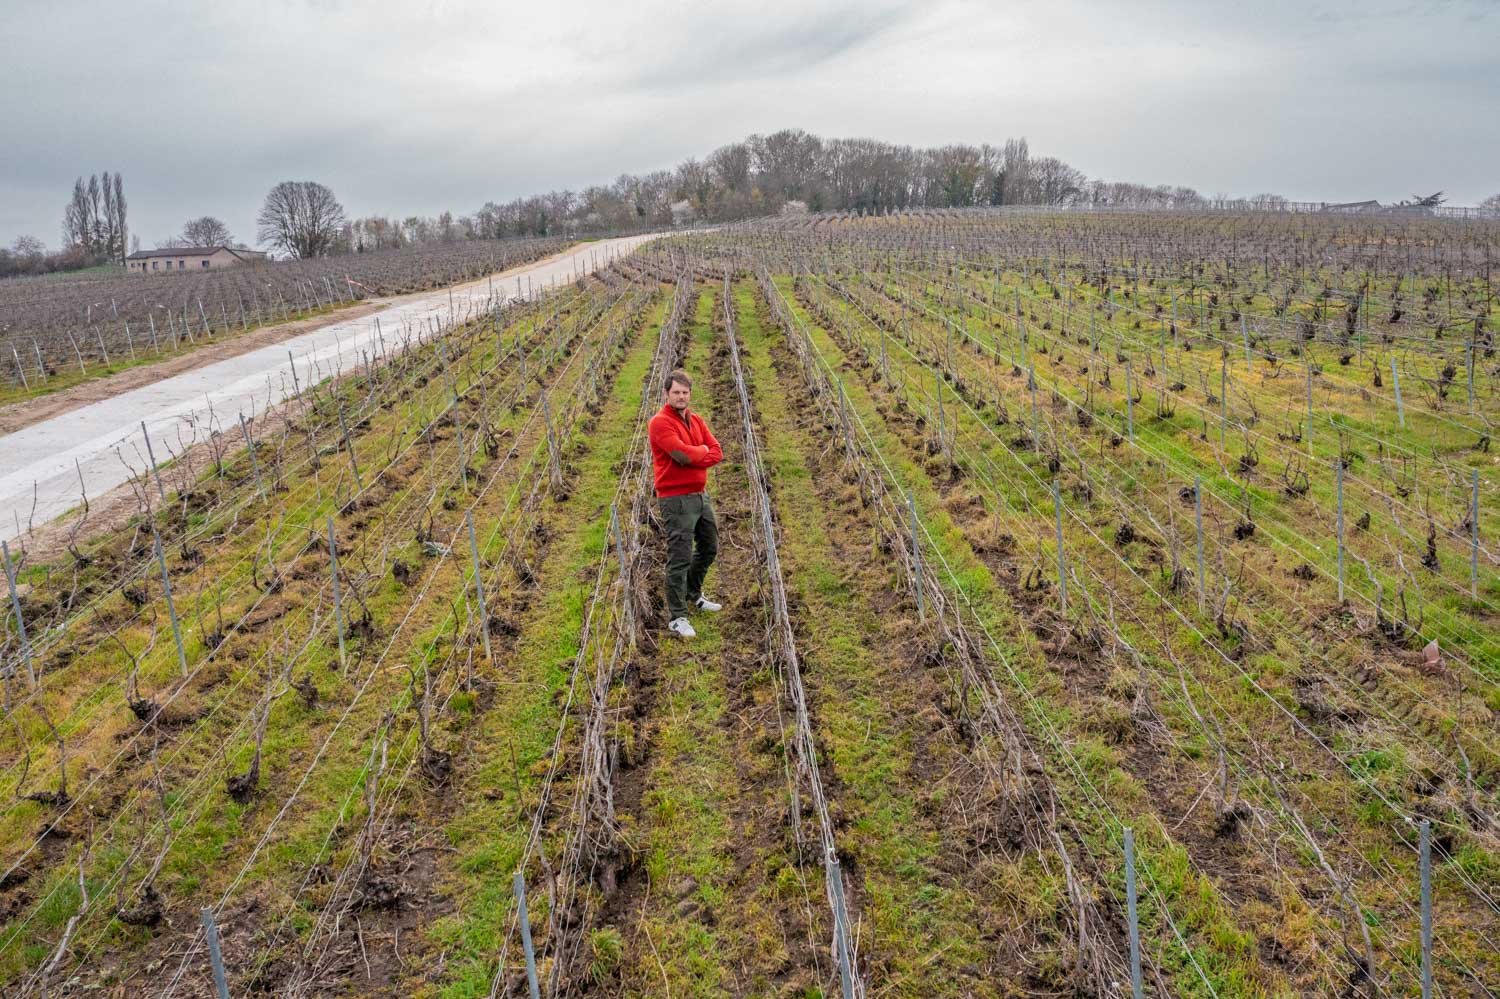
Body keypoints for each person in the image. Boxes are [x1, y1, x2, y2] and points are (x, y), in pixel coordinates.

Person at [647, 369, 723, 639]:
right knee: (679, 557)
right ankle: (677, 616)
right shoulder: (659, 423)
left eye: (685, 392)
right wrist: (700, 452)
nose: (681, 396)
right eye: (676, 392)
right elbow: (681, 455)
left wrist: (699, 453)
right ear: (667, 393)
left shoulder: (696, 420)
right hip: (675, 499)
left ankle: (693, 593)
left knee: (709, 547)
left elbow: (717, 451)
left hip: (700, 495)